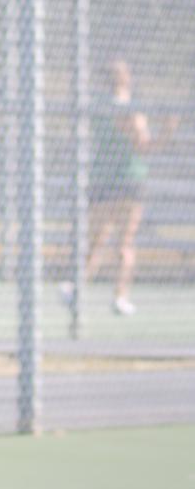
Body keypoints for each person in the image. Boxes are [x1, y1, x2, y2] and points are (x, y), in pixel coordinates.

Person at [59, 57, 178, 318]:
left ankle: (76, 289)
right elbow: (144, 145)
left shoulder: (98, 106)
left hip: (103, 181)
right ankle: (119, 296)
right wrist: (167, 131)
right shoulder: (128, 110)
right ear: (124, 78)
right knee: (123, 244)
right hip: (126, 182)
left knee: (96, 239)